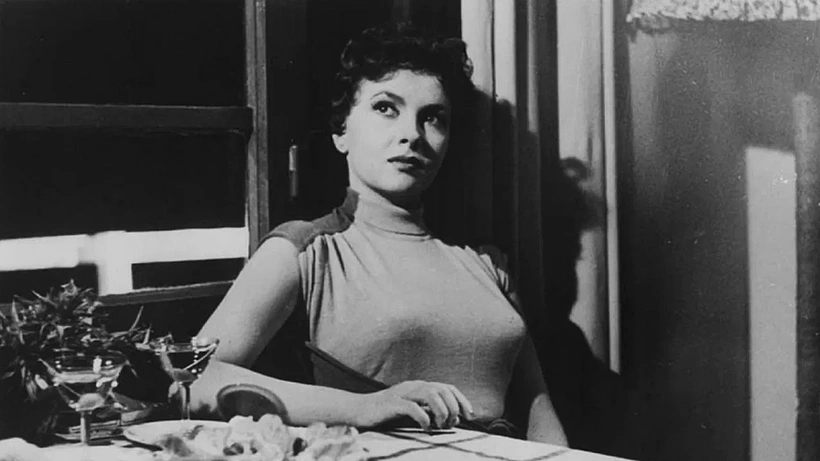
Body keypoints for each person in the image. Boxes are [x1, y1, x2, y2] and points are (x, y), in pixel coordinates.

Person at [192, 22, 567, 446]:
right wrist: (364, 407)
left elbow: (538, 410)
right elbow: (194, 378)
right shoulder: (306, 250)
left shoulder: (485, 261)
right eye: (386, 108)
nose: (412, 134)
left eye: (433, 118)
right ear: (341, 132)